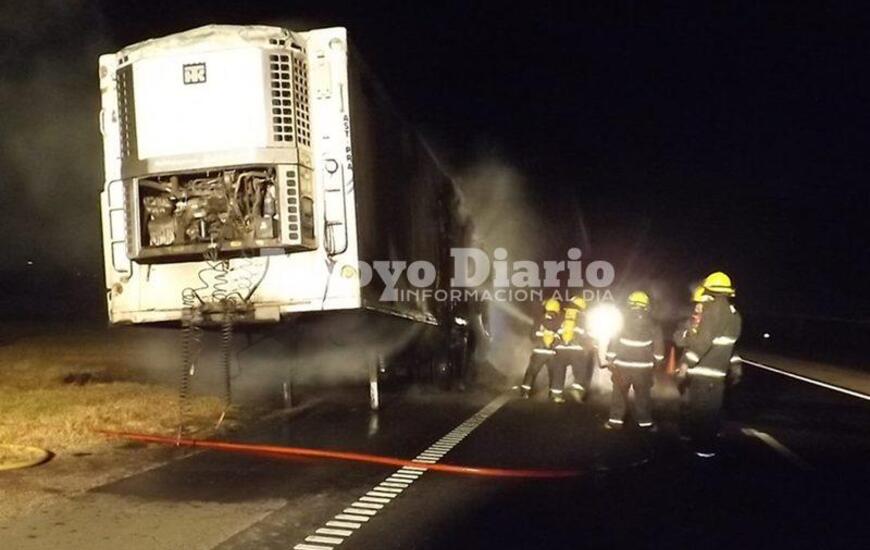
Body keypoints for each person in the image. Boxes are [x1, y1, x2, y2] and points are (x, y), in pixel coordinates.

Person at [678, 271, 743, 457]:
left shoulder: (713, 311)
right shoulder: (735, 315)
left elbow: (703, 342)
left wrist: (685, 364)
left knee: (702, 412)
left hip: (704, 373)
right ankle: (702, 443)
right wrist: (736, 366)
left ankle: (703, 448)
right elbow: (729, 345)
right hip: (718, 374)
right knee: (709, 410)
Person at [603, 291, 665, 429]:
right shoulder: (653, 324)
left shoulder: (621, 321)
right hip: (643, 368)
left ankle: (615, 421)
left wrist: (610, 359)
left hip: (622, 367)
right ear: (646, 305)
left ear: (629, 304)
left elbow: (613, 342)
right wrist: (658, 362)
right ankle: (645, 422)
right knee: (643, 396)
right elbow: (658, 345)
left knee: (619, 393)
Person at [520, 297, 563, 401]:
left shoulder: (539, 319)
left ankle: (525, 393)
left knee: (531, 372)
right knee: (554, 374)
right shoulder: (560, 320)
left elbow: (532, 336)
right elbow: (562, 337)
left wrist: (540, 339)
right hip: (552, 353)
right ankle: (553, 396)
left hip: (539, 352)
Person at [555, 295, 596, 402]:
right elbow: (588, 334)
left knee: (559, 372)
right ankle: (576, 389)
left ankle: (556, 395)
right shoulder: (582, 318)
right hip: (577, 350)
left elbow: (555, 332)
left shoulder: (562, 316)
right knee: (580, 372)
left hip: (560, 349)